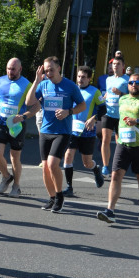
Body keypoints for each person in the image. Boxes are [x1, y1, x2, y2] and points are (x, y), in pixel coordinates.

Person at [97, 72, 139, 224]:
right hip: (123, 145)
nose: (134, 85)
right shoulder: (123, 99)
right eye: (131, 82)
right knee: (115, 176)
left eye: (137, 83)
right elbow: (115, 116)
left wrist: (137, 121)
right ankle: (110, 211)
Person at [32, 57, 85, 213]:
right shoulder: (43, 84)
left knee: (52, 164)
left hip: (62, 132)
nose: (48, 73)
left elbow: (82, 105)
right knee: (45, 169)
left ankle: (60, 196)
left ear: (59, 68)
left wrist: (68, 112)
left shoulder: (70, 86)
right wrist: (36, 80)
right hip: (45, 131)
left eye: (51, 70)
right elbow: (29, 101)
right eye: (46, 70)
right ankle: (52, 198)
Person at [0, 57, 37, 196]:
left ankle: (16, 185)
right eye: (8, 68)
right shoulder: (0, 80)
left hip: (17, 126)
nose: (10, 72)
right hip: (0, 122)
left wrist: (24, 116)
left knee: (14, 157)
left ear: (20, 69)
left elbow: (35, 106)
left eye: (13, 69)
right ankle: (6, 176)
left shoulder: (27, 85)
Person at [61, 65, 105, 197]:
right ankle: (69, 187)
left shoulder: (95, 92)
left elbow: (104, 109)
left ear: (89, 79)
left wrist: (94, 118)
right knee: (68, 156)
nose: (80, 79)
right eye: (79, 77)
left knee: (87, 162)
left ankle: (96, 169)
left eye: (83, 77)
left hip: (87, 131)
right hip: (71, 130)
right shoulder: (71, 89)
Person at [98, 57, 129, 177]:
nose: (115, 66)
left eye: (118, 64)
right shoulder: (108, 79)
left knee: (119, 142)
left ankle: (118, 165)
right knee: (105, 139)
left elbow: (132, 96)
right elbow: (108, 93)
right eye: (113, 64)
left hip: (121, 115)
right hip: (109, 113)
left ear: (123, 66)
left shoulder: (127, 79)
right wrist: (104, 97)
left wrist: (120, 93)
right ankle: (105, 166)